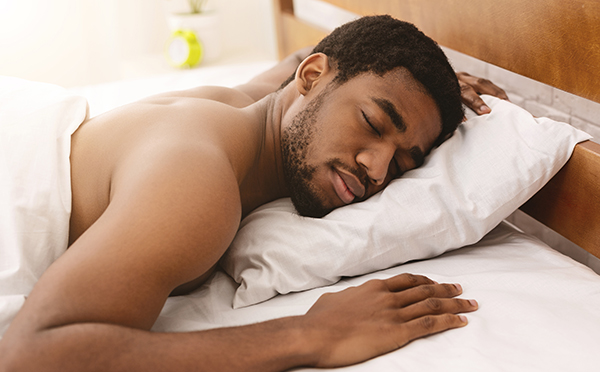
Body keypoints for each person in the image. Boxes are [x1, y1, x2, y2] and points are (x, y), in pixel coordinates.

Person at [0, 15, 507, 371]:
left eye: (402, 161)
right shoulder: (197, 182)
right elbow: (34, 355)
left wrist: (429, 90)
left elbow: (293, 58)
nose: (376, 168)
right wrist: (308, 335)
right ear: (313, 78)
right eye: (374, 121)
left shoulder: (251, 103)